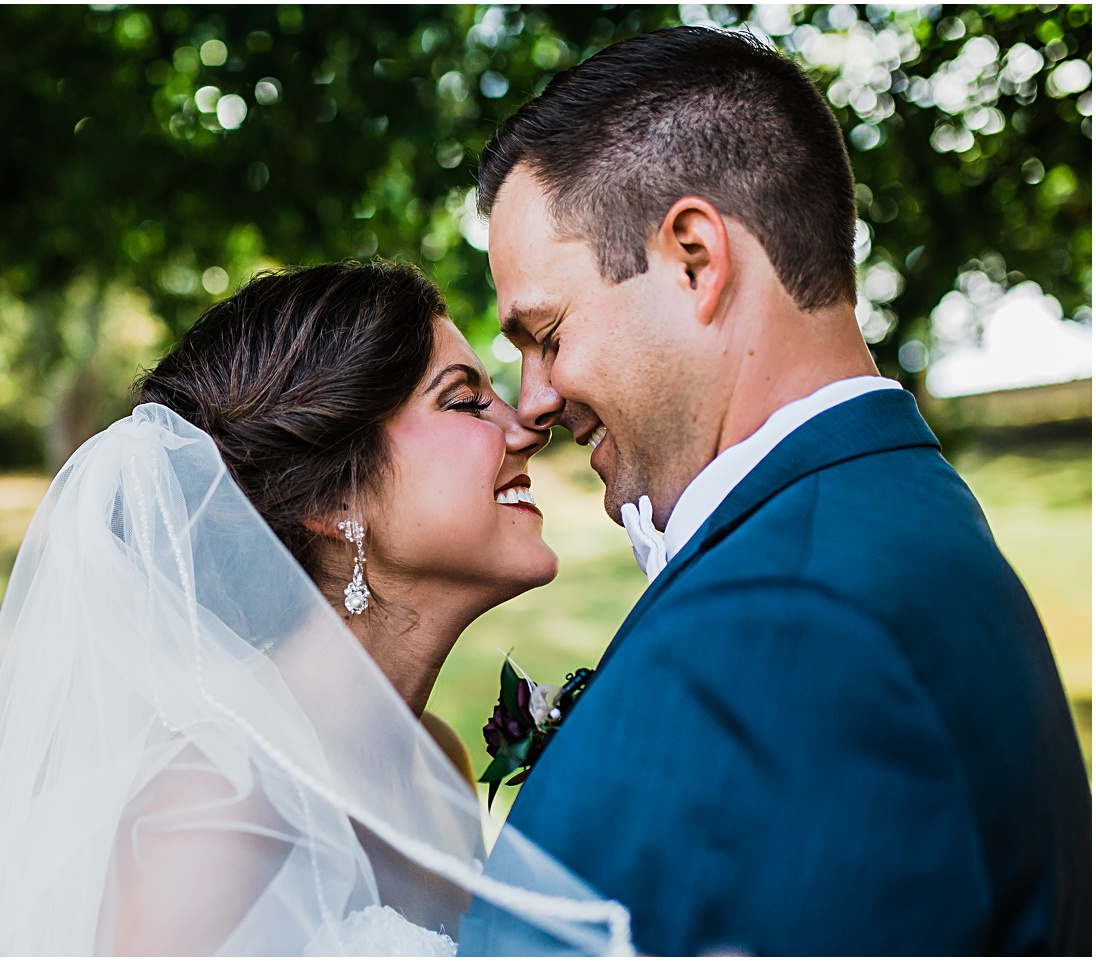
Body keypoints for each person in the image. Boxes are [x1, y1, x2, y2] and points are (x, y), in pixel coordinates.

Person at [459, 25, 1092, 956]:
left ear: (694, 260)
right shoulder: (890, 508)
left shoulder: (786, 627)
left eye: (547, 335)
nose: (535, 402)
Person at [0, 262, 634, 956]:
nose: (528, 424)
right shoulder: (211, 817)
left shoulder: (437, 764)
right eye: (464, 400)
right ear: (332, 497)